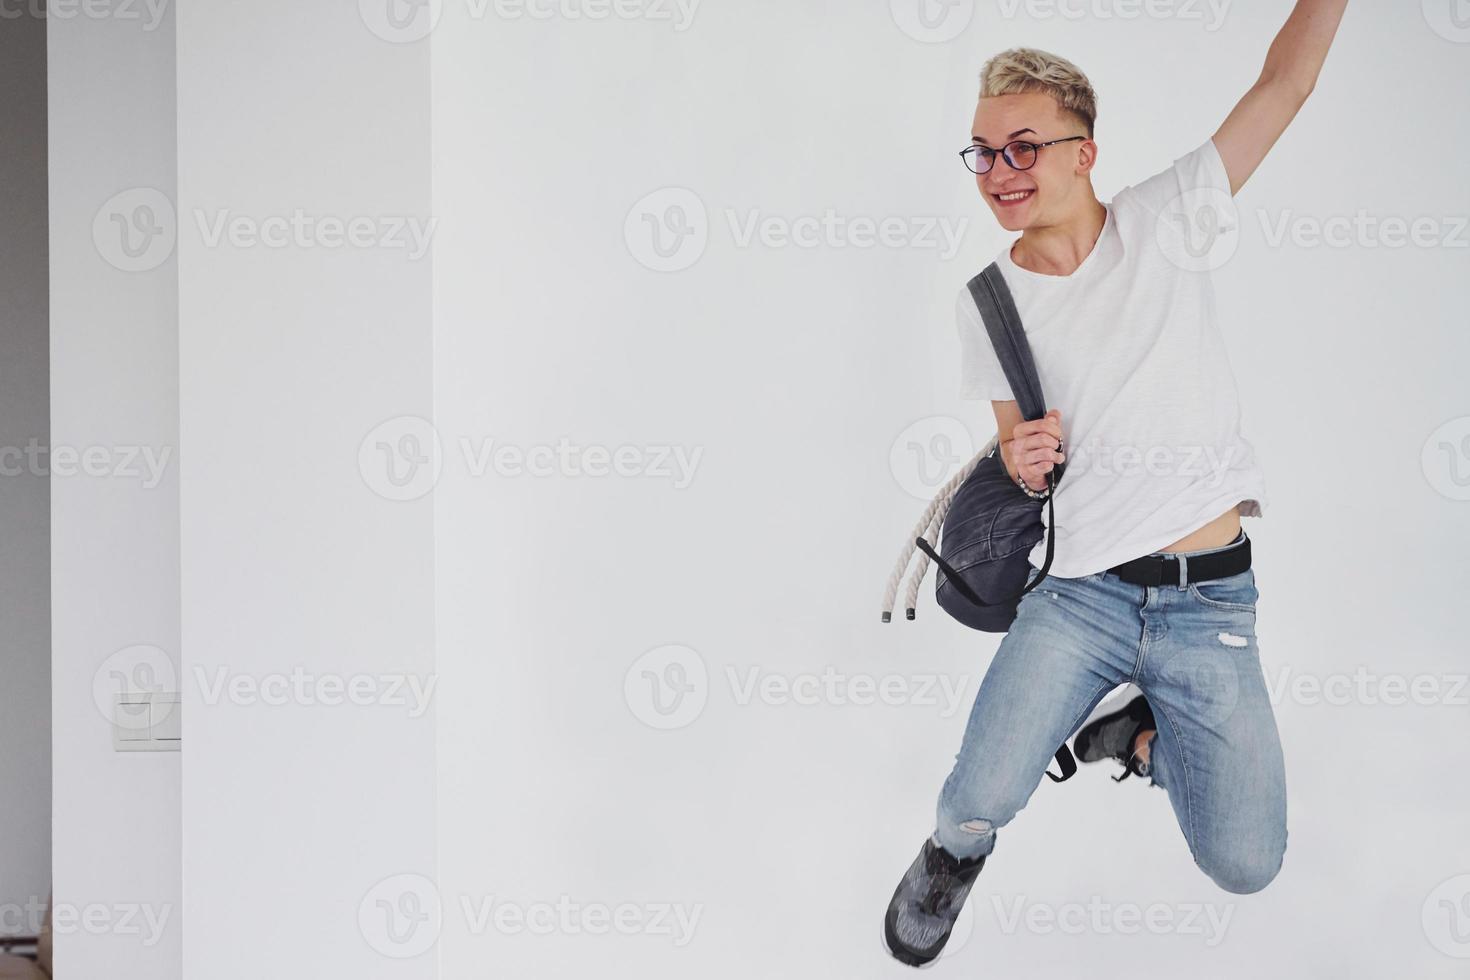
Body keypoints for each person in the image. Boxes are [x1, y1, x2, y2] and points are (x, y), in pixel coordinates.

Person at [883, 2, 1348, 967]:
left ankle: (1132, 739)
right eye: (982, 153)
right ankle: (955, 859)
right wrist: (1019, 460)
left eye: (1023, 148)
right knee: (972, 801)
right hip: (1081, 599)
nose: (1000, 172)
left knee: (1248, 862)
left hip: (1209, 602)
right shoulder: (991, 304)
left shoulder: (1168, 218)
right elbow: (1016, 448)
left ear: (1084, 153)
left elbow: (1285, 86)